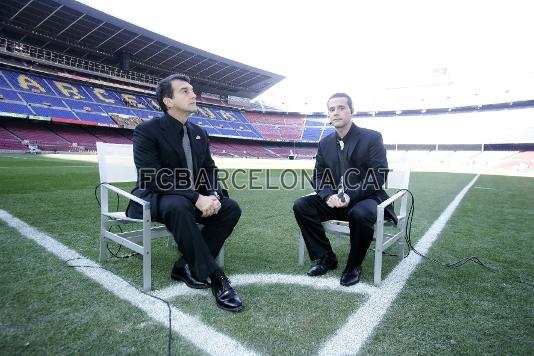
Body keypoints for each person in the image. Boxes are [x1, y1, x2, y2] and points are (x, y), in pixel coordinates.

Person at [126, 74, 243, 312]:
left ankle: (184, 265)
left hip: (192, 197)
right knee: (178, 204)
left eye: (192, 90)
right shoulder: (147, 131)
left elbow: (209, 169)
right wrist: (196, 198)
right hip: (158, 197)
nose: (193, 94)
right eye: (185, 91)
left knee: (230, 208)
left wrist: (212, 194)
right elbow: (152, 176)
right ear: (168, 101)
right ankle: (217, 278)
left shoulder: (199, 131)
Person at [293, 93, 396, 286]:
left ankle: (353, 265)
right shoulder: (324, 143)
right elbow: (319, 176)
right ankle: (326, 257)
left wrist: (349, 195)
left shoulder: (372, 137)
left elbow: (378, 175)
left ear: (351, 111)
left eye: (341, 108)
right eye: (332, 109)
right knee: (302, 205)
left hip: (367, 198)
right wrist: (327, 196)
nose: (336, 112)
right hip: (337, 200)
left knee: (359, 213)